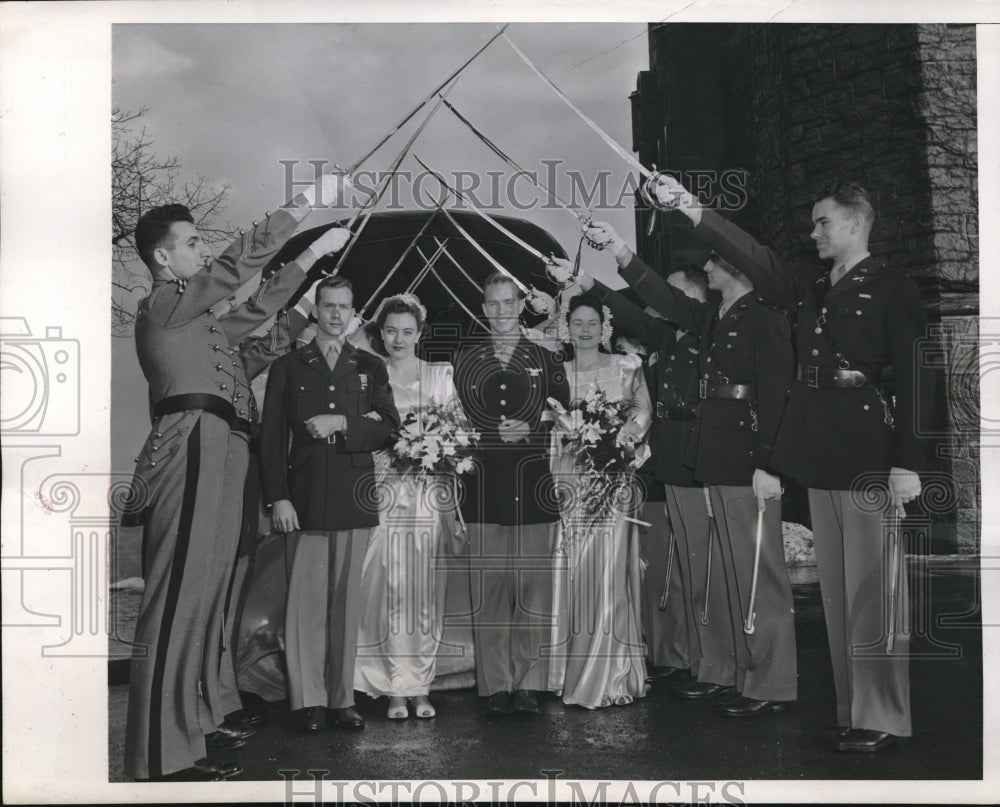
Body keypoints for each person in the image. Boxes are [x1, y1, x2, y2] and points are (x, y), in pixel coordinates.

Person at [653, 176, 926, 751]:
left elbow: (916, 376)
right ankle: (855, 709)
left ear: (855, 223)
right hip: (822, 449)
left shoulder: (892, 287)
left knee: (873, 590)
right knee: (838, 592)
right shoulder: (812, 287)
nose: (814, 232)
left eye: (823, 221)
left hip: (869, 450)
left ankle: (883, 714)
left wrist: (908, 461)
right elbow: (760, 259)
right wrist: (694, 211)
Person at [123, 173, 352, 782]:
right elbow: (232, 269)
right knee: (178, 599)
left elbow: (258, 324)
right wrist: (303, 209)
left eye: (202, 243)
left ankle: (192, 725)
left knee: (210, 592)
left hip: (223, 447)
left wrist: (310, 266)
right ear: (162, 256)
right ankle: (158, 755)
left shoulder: (197, 323)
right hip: (192, 443)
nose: (203, 250)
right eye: (191, 242)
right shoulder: (164, 304)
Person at [578, 221, 797, 718]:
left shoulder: (764, 317)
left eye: (717, 261)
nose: (711, 266)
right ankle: (731, 670)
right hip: (714, 451)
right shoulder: (717, 316)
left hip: (745, 455)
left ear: (737, 268)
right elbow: (659, 302)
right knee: (722, 571)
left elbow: (777, 392)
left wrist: (771, 461)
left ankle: (771, 681)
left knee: (757, 572)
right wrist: (619, 252)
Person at [259, 275, 400, 734]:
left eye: (344, 306)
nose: (336, 314)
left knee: (345, 605)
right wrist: (278, 495)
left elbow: (390, 429)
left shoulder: (371, 366)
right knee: (306, 606)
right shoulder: (289, 367)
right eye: (328, 305)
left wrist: (343, 420)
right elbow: (271, 439)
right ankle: (308, 701)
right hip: (302, 500)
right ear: (315, 310)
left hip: (355, 500)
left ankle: (341, 699)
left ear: (353, 312)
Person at [592, 266, 721, 689]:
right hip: (655, 462)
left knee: (691, 566)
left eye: (675, 295)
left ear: (695, 301)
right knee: (658, 562)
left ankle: (697, 655)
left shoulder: (705, 337)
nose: (665, 304)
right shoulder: (664, 342)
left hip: (689, 461)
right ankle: (667, 651)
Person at [453, 272, 571, 716]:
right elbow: (452, 422)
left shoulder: (546, 358)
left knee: (531, 591)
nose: (501, 311)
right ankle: (495, 685)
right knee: (490, 590)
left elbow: (566, 418)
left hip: (533, 486)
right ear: (483, 309)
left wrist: (534, 428)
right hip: (482, 486)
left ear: (520, 307)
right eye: (493, 303)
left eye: (509, 303)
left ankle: (529, 682)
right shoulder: (464, 361)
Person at [353, 294, 463, 720]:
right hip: (382, 491)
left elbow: (454, 440)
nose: (399, 339)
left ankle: (419, 685)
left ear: (420, 334)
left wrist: (450, 507)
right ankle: (392, 687)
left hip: (425, 496)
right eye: (391, 331)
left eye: (407, 331)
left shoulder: (438, 377)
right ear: (381, 333)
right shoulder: (368, 375)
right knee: (383, 587)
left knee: (422, 590)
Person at [547, 294, 652, 708]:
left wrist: (620, 443)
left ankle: (607, 674)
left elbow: (642, 413)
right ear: (566, 327)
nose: (585, 330)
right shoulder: (556, 372)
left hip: (610, 479)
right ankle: (563, 670)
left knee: (606, 571)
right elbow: (547, 423)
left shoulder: (625, 366)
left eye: (592, 322)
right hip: (568, 480)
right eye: (577, 323)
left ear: (604, 327)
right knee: (568, 567)